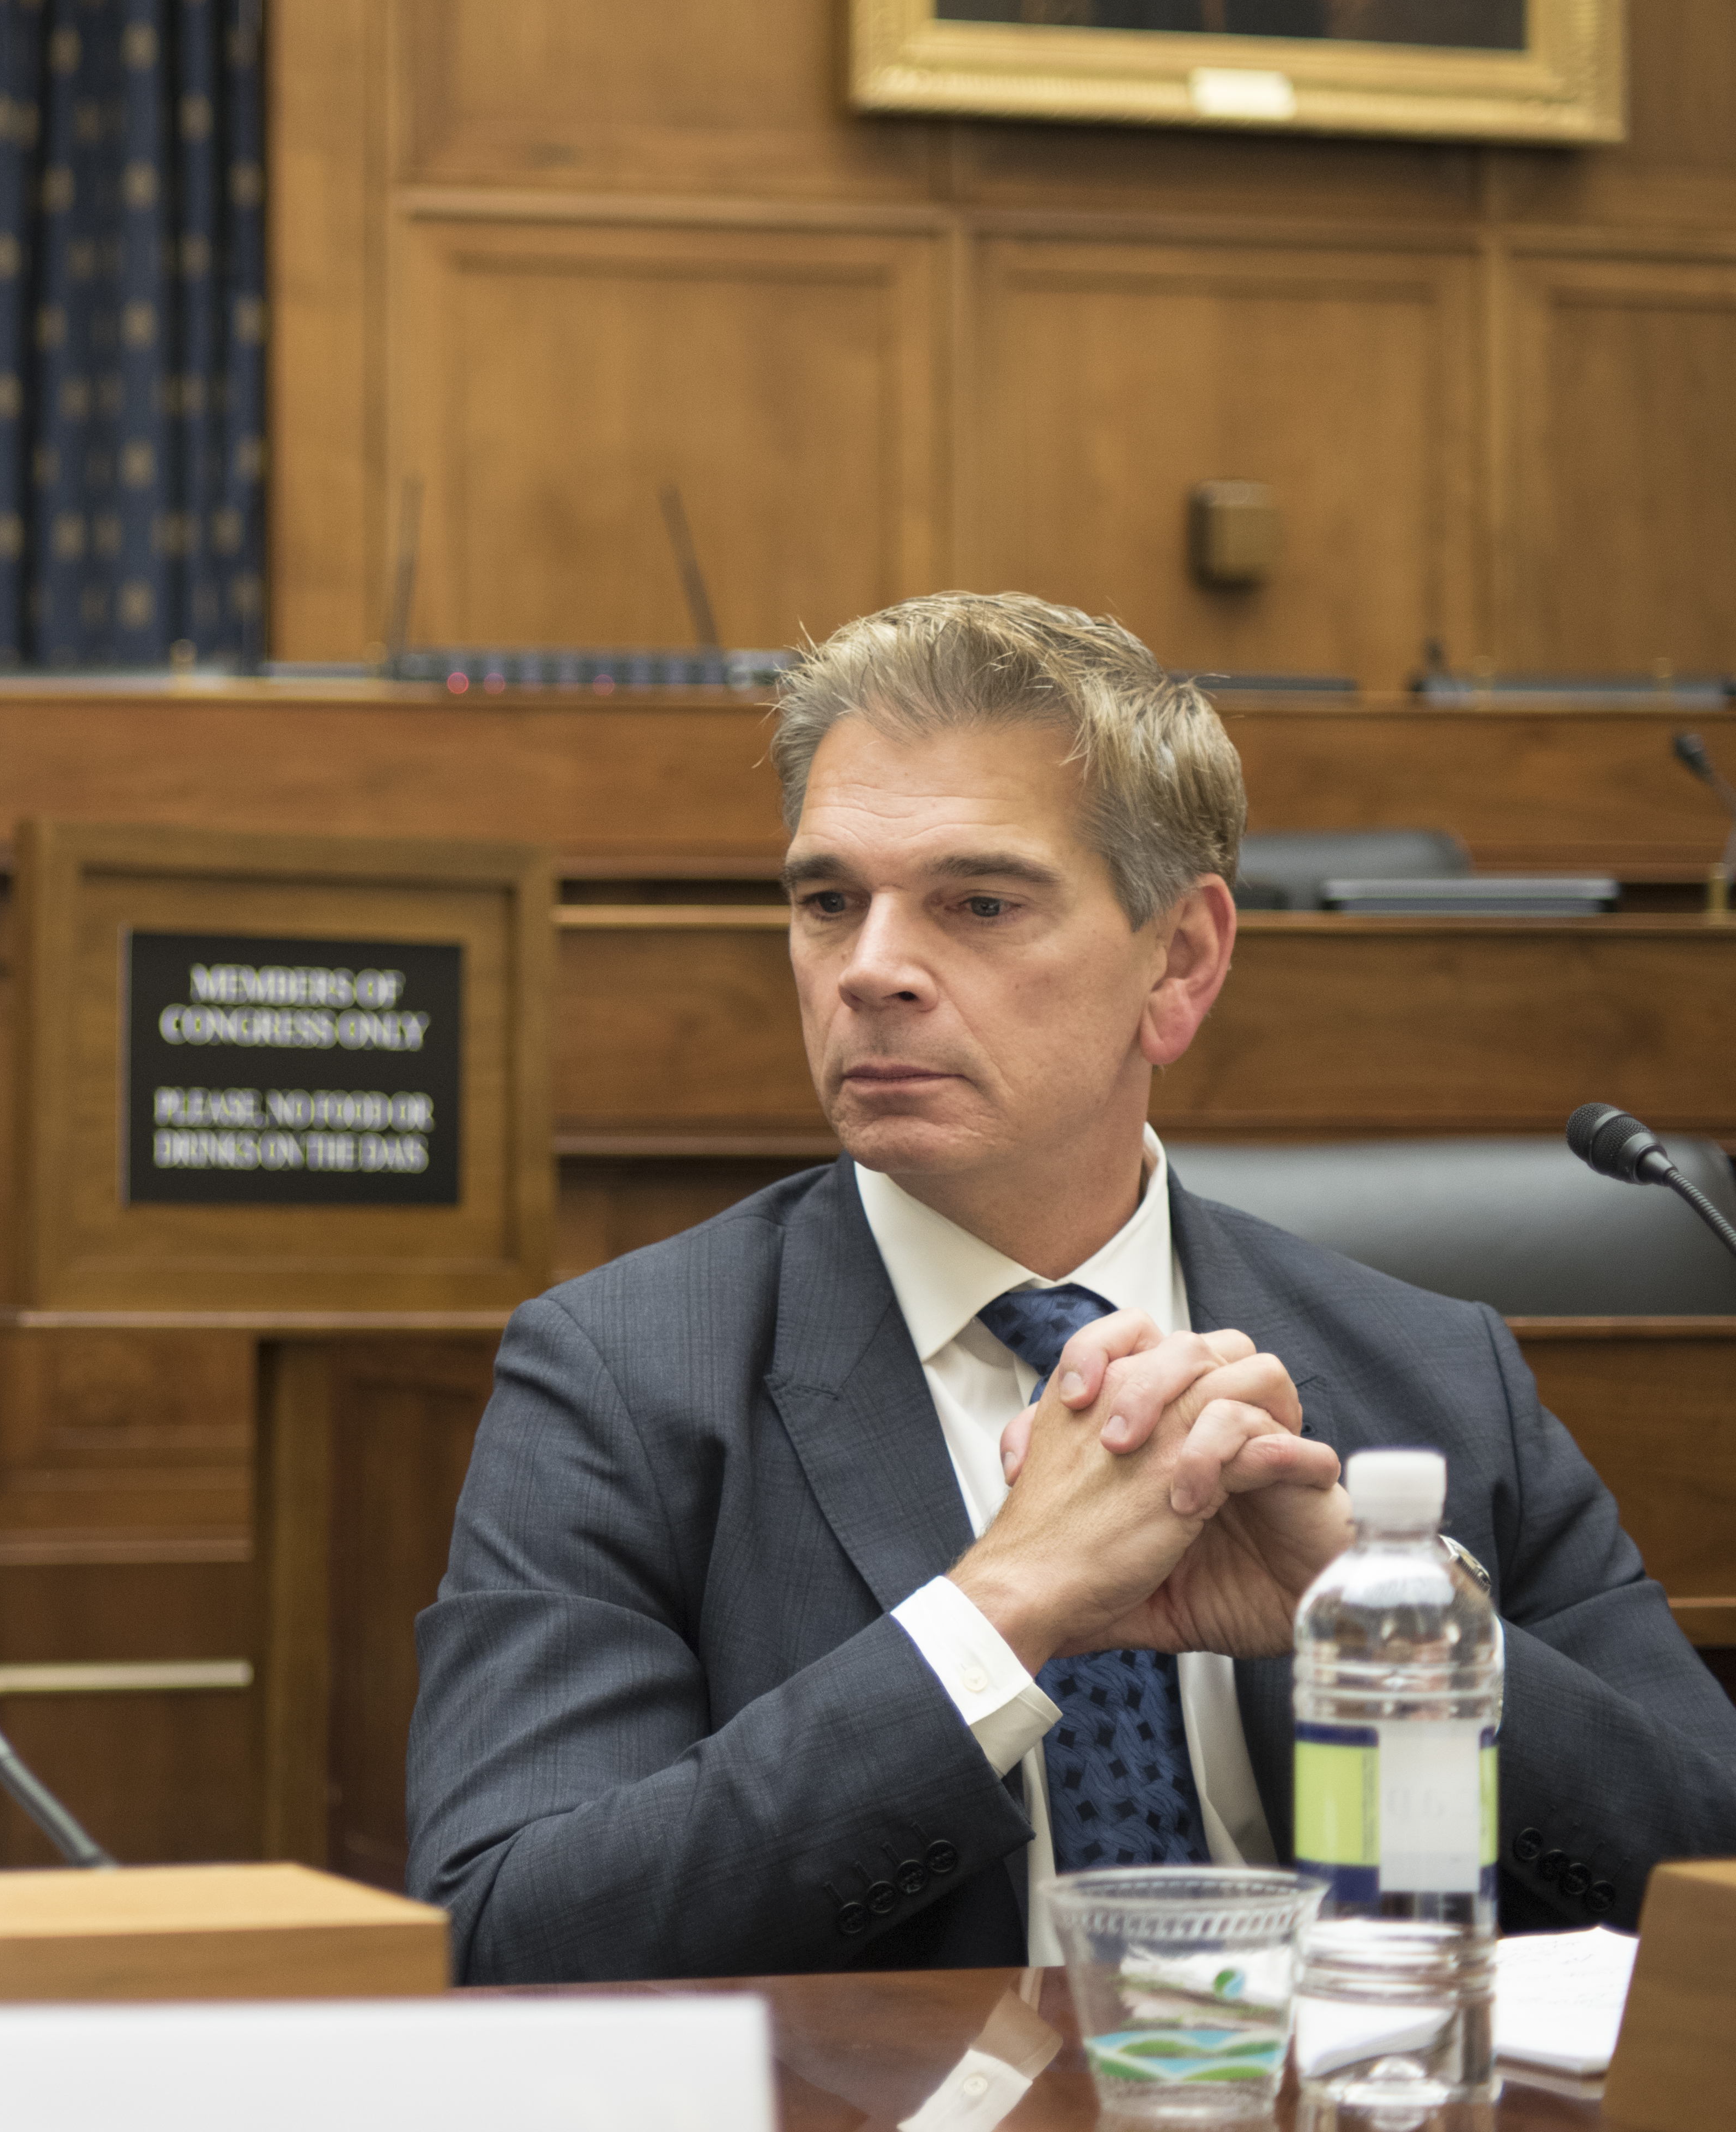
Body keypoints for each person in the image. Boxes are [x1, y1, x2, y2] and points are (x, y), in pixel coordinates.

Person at [405, 592, 1736, 1982]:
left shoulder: (1432, 1371)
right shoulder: (622, 1375)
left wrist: (1390, 1633)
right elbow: (509, 1936)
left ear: (1180, 961)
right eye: (825, 902)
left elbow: (1703, 1873)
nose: (867, 971)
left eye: (976, 903)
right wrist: (1000, 1613)